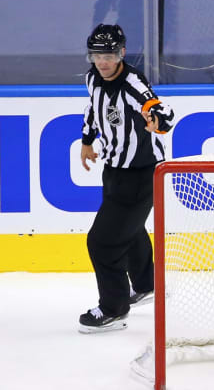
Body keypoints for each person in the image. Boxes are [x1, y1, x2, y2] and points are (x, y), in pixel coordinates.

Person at [78, 23, 175, 333]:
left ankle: (114, 308)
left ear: (120, 53)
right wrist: (86, 140)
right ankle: (147, 284)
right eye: (96, 55)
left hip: (142, 174)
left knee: (102, 243)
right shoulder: (93, 77)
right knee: (128, 230)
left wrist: (156, 121)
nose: (103, 62)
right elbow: (93, 109)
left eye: (108, 55)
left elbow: (162, 111)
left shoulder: (133, 83)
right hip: (115, 170)